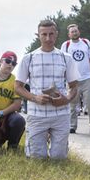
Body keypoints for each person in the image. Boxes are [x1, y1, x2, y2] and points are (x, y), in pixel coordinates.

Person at [15, 20, 79, 159]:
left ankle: (58, 149)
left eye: (51, 34)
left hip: (60, 114)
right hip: (37, 114)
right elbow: (18, 87)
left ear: (56, 34)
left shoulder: (65, 58)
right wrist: (35, 98)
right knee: (37, 158)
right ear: (38, 35)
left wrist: (66, 99)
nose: (48, 38)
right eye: (44, 34)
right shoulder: (29, 58)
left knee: (59, 158)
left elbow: (74, 86)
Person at [60, 24, 90, 133]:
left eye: (76, 31)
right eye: (72, 32)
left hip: (87, 78)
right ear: (69, 34)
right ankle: (72, 126)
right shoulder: (66, 45)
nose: (74, 33)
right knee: (72, 104)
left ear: (79, 32)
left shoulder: (86, 43)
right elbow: (62, 62)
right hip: (72, 80)